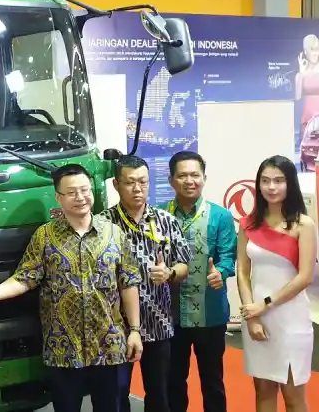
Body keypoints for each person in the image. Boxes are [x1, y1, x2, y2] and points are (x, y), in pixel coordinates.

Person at [0, 163, 143, 412]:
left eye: (84, 190)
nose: (80, 197)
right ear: (59, 198)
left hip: (109, 345)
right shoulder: (45, 236)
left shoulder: (114, 234)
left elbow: (128, 283)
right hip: (63, 349)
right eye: (71, 192)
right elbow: (25, 278)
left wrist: (134, 330)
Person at [101, 155, 192, 412]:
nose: (137, 188)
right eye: (130, 182)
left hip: (158, 322)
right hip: (117, 326)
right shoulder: (103, 224)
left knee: (159, 393)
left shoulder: (166, 221)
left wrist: (170, 273)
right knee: (117, 394)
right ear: (116, 185)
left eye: (143, 182)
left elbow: (184, 266)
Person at [237, 155, 316, 412]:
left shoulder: (304, 225)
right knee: (263, 392)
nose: (271, 187)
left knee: (294, 396)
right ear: (258, 184)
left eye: (279, 180)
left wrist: (265, 305)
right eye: (266, 180)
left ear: (289, 183)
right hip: (256, 318)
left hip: (290, 319)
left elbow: (305, 277)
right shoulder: (248, 223)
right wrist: (251, 315)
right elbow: (242, 271)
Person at [161, 151, 236, 412]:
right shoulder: (158, 215)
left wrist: (221, 273)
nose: (189, 181)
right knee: (173, 381)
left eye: (195, 175)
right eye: (182, 175)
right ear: (171, 180)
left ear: (204, 178)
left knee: (212, 381)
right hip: (169, 315)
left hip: (210, 313)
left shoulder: (220, 216)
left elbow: (228, 257)